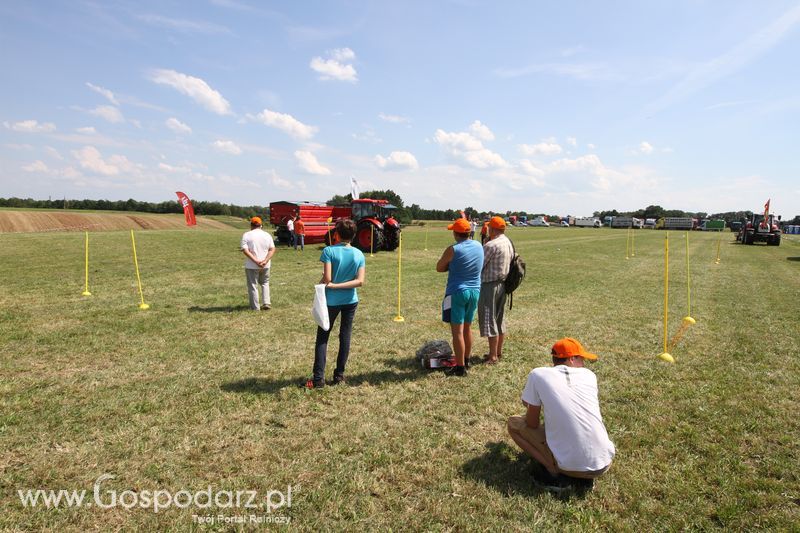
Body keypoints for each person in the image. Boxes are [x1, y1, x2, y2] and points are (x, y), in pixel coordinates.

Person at [507, 338, 615, 491]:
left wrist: (534, 404)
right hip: (604, 462)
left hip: (571, 467)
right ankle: (579, 472)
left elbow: (532, 424)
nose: (583, 363)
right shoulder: (589, 375)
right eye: (581, 358)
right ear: (572, 359)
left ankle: (553, 471)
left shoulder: (538, 374)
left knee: (514, 423)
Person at [306, 219, 366, 388]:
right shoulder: (359, 254)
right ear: (354, 236)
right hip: (350, 300)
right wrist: (339, 285)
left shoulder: (329, 251)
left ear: (337, 234)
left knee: (323, 337)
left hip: (331, 301)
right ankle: (339, 375)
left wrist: (328, 287)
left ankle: (318, 379)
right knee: (345, 336)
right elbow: (360, 281)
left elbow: (327, 278)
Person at [436, 218, 484, 376]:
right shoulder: (478, 245)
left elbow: (439, 267)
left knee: (457, 331)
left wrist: (451, 266)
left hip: (457, 292)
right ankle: (467, 359)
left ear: (456, 233)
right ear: (469, 232)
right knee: (468, 328)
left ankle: (460, 367)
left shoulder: (453, 249)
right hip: (475, 291)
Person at [479, 216, 514, 364]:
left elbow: (479, 265)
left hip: (489, 285)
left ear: (492, 229)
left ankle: (492, 356)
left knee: (489, 320)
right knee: (499, 320)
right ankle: (498, 352)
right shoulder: (507, 242)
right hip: (503, 285)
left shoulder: (491, 245)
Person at [240, 217, 276, 311]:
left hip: (251, 265)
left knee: (253, 285)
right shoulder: (267, 235)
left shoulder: (247, 235)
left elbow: (245, 250)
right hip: (266, 265)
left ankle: (255, 307)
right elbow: (272, 249)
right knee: (265, 283)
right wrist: (265, 261)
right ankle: (266, 302)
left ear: (251, 225)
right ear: (261, 225)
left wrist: (256, 261)